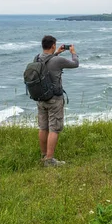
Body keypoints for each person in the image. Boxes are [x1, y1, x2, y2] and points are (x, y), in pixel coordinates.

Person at [36, 35, 79, 167]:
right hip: (54, 99)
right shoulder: (58, 60)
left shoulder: (37, 58)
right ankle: (50, 160)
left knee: (43, 127)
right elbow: (75, 64)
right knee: (54, 128)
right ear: (53, 45)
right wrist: (73, 53)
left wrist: (57, 52)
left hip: (40, 98)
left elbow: (49, 60)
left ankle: (44, 156)